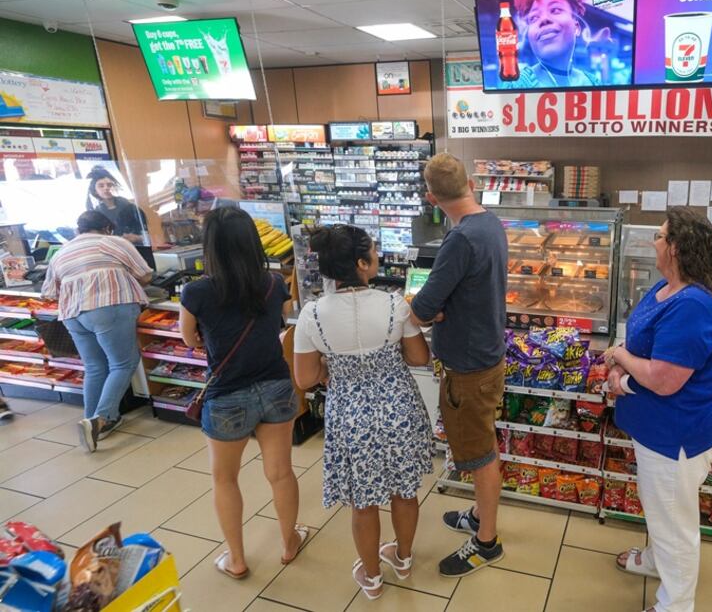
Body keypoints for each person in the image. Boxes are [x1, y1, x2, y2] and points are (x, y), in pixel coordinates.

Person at [293, 224, 433, 601]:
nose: (377, 256)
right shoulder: (393, 304)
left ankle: (371, 577)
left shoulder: (312, 315)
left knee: (363, 501)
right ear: (361, 263)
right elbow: (420, 357)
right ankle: (402, 559)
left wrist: (331, 369)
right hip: (398, 407)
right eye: (372, 251)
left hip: (350, 414)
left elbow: (304, 378)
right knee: (405, 490)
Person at [604, 207, 712, 612]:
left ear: (675, 249)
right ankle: (655, 560)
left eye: (660, 236)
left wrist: (621, 358)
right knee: (661, 511)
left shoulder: (693, 305)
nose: (654, 242)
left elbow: (663, 379)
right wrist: (622, 378)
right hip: (657, 430)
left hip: (678, 436)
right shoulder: (668, 288)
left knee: (675, 525)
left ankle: (675, 605)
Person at [179, 206, 307, 580]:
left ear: (211, 247)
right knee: (281, 472)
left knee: (225, 479)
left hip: (226, 395)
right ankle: (289, 543)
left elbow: (189, 338)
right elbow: (279, 320)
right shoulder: (272, 283)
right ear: (252, 242)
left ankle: (236, 559)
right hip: (276, 386)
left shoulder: (197, 291)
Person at [409, 152, 508, 577]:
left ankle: (486, 542)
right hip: (487, 353)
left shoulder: (460, 239)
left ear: (432, 197)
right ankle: (478, 516)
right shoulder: (490, 223)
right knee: (482, 443)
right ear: (469, 182)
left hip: (468, 367)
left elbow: (424, 307)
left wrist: (429, 308)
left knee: (480, 455)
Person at [42, 211, 152, 453]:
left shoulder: (62, 252)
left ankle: (89, 420)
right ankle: (100, 419)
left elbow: (50, 291)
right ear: (106, 227)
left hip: (72, 314)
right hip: (107, 307)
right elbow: (145, 274)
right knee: (123, 363)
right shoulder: (112, 242)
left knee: (95, 367)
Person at [500, 0, 600, 89]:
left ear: (577, 27)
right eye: (534, 17)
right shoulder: (516, 85)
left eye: (555, 10)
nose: (544, 19)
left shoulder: (593, 83)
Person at [86, 166, 149, 244]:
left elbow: (148, 234)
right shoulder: (96, 215)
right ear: (95, 191)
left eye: (109, 185)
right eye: (101, 186)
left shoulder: (130, 207)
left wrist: (138, 238)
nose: (106, 188)